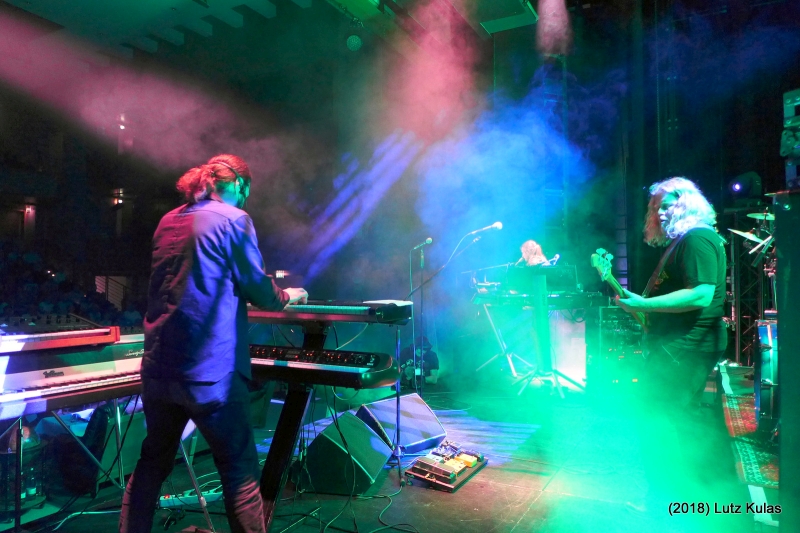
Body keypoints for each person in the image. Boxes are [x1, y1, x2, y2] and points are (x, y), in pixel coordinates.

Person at [119, 154, 308, 533]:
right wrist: (289, 295)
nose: (244, 200)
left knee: (152, 463)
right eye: (245, 193)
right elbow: (260, 291)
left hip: (159, 369)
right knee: (240, 472)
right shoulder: (234, 220)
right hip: (210, 374)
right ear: (238, 184)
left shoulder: (167, 221)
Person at [615, 177, 727, 514]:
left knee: (655, 421)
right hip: (679, 347)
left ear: (686, 202)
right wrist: (642, 308)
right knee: (675, 423)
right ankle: (684, 500)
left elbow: (701, 294)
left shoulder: (697, 238)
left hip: (684, 348)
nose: (659, 213)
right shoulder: (683, 242)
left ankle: (665, 503)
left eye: (666, 205)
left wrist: (644, 305)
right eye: (655, 207)